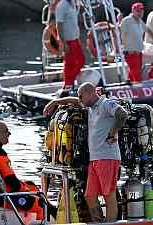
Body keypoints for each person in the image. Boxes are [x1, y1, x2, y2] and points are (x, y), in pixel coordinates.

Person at [43, 82, 128, 222]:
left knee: (108, 195)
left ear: (90, 93)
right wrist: (55, 102)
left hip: (107, 156)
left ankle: (110, 223)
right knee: (89, 195)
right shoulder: (91, 107)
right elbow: (74, 101)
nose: (79, 99)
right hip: (94, 159)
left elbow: (122, 114)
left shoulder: (105, 104)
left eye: (81, 96)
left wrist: (113, 132)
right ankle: (99, 221)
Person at [0, 121, 45, 220]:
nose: (9, 134)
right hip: (1, 197)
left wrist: (27, 188)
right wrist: (25, 190)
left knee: (32, 186)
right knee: (40, 205)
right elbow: (12, 182)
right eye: (6, 131)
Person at [121, 2, 153, 84]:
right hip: (131, 54)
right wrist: (126, 48)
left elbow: (148, 30)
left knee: (133, 75)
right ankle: (139, 93)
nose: (140, 13)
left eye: (141, 11)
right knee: (137, 77)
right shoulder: (127, 21)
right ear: (133, 11)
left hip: (138, 54)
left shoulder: (139, 21)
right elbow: (122, 35)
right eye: (137, 11)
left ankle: (130, 88)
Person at [55, 0, 85, 90]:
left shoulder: (73, 3)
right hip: (67, 41)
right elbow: (59, 25)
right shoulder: (62, 5)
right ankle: (68, 84)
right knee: (70, 63)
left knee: (81, 60)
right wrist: (63, 43)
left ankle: (70, 82)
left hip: (75, 39)